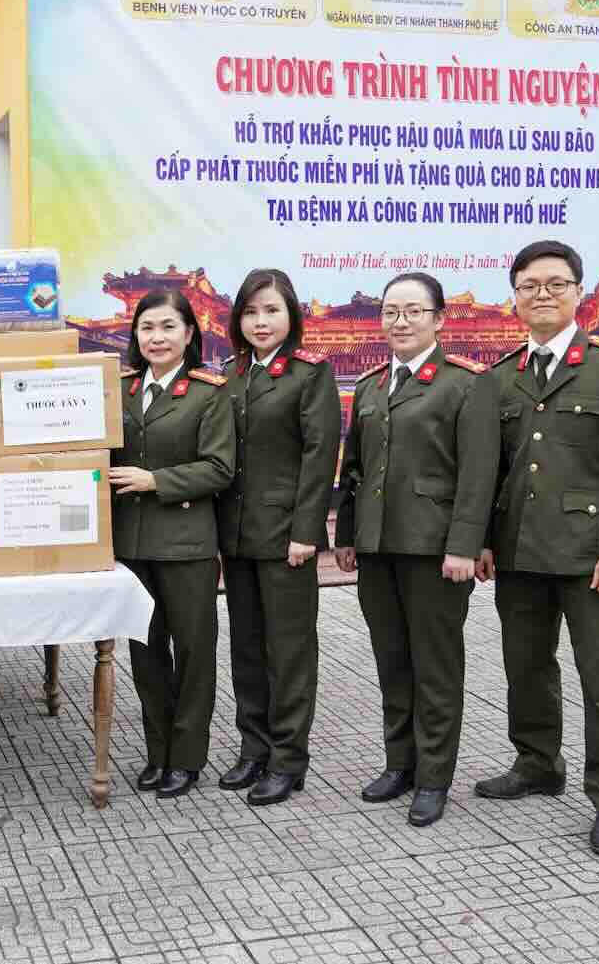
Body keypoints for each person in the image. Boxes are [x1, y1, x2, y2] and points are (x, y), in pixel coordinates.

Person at [474, 240, 599, 857]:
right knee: (525, 666)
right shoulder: (502, 377)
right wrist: (485, 542)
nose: (542, 294)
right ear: (515, 297)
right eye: (529, 285)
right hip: (519, 551)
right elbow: (493, 471)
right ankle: (537, 764)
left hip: (589, 554)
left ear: (579, 292)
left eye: (555, 283)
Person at [334, 272, 499, 827]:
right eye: (390, 312)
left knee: (435, 666)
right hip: (378, 546)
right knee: (393, 660)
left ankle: (433, 777)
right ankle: (399, 763)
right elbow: (355, 468)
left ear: (439, 319)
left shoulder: (464, 384)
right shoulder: (371, 385)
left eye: (412, 311)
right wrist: (348, 535)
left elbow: (478, 474)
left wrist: (465, 545)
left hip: (435, 550)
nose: (400, 322)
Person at [215, 269, 340, 806]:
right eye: (250, 312)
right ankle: (254, 748)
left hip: (286, 536)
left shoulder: (310, 374)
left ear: (291, 316)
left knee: (288, 651)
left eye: (271, 311)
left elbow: (319, 456)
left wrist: (306, 532)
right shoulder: (231, 373)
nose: (260, 322)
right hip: (237, 535)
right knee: (246, 646)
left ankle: (288, 759)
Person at [111, 288, 234, 799]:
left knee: (192, 652)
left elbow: (220, 468)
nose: (156, 337)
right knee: (146, 654)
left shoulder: (209, 393)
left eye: (167, 327)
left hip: (187, 545)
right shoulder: (118, 388)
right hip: (132, 544)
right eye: (147, 328)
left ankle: (186, 759)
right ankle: (157, 752)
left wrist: (155, 481)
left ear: (188, 333)